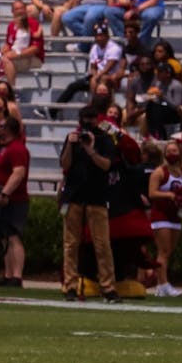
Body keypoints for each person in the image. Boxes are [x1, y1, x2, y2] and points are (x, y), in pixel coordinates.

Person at [59, 104, 118, 303]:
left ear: (98, 119)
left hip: (97, 196)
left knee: (102, 244)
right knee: (70, 244)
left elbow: (107, 165)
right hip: (74, 195)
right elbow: (65, 165)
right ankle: (70, 286)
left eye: (92, 118)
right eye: (85, 118)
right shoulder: (72, 138)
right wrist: (70, 144)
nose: (88, 122)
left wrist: (91, 150)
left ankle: (108, 287)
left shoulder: (105, 139)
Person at [0, 117, 29, 287]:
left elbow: (19, 173)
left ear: (9, 129)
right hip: (2, 200)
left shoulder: (17, 148)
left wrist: (5, 192)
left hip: (14, 200)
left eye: (1, 126)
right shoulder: (5, 148)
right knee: (5, 237)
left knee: (13, 236)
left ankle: (16, 276)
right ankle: (8, 274)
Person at [147, 139, 182, 298]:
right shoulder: (159, 172)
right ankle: (164, 285)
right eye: (168, 151)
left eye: (174, 151)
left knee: (168, 251)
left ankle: (160, 284)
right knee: (163, 251)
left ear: (180, 153)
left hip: (175, 216)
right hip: (161, 215)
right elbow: (152, 193)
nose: (171, 154)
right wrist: (170, 195)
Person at [0, 0, 43, 85]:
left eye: (22, 8)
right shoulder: (11, 25)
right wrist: (2, 52)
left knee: (6, 60)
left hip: (31, 57)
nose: (20, 11)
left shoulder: (32, 24)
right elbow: (8, 44)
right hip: (13, 55)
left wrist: (18, 54)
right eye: (17, 9)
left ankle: (12, 92)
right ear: (12, 12)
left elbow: (35, 49)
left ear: (25, 9)